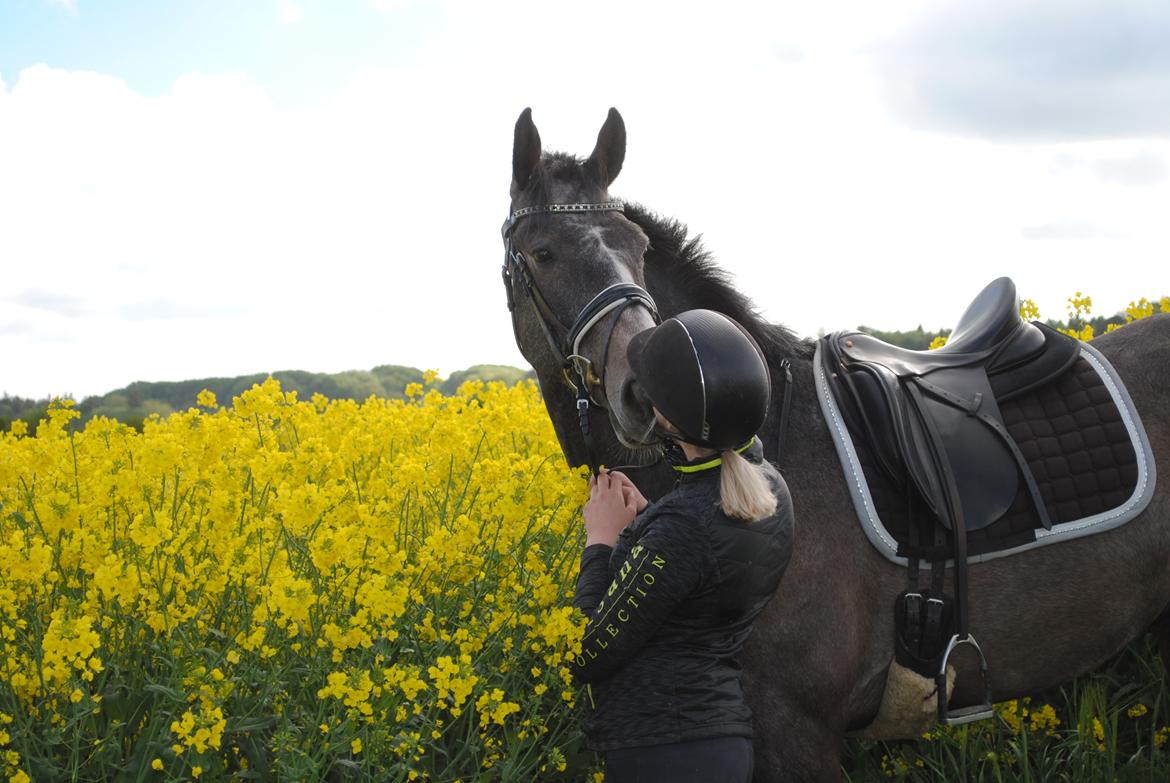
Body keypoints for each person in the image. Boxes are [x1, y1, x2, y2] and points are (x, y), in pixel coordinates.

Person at [571, 309, 795, 783]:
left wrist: (602, 540)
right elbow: (702, 572)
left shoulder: (684, 525)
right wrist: (648, 523)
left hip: (662, 753)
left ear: (667, 417)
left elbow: (588, 651)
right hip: (719, 745)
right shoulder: (771, 487)